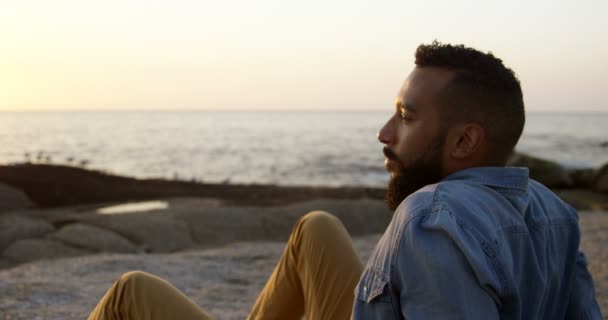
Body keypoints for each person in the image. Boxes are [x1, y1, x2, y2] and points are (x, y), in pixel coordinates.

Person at [87, 41, 602, 320]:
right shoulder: (553, 212)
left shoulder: (431, 217)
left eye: (405, 116)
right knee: (316, 227)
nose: (383, 133)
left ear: (465, 141)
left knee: (132, 292)